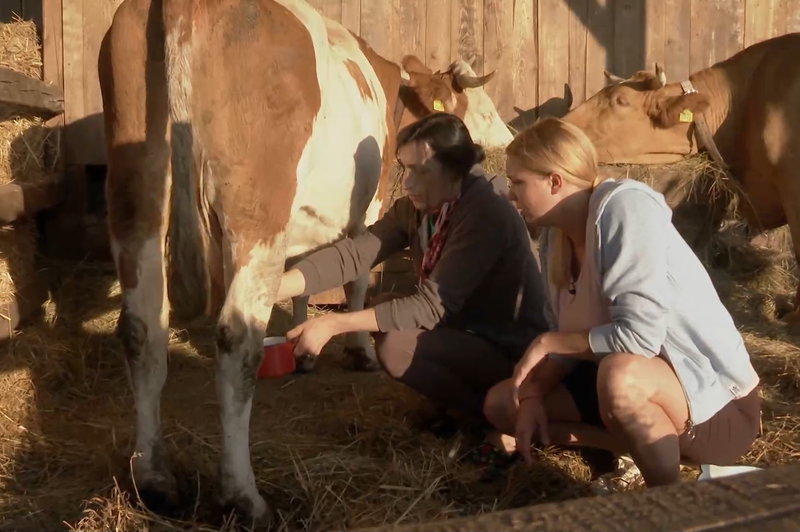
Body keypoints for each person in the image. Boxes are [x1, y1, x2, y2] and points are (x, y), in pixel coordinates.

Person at [483, 116, 762, 489]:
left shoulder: (623, 207)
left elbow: (639, 337)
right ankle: (634, 447)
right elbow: (566, 337)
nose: (510, 194)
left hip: (714, 405)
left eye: (518, 182)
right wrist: (533, 391)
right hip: (626, 386)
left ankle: (666, 504)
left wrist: (548, 344)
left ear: (554, 180)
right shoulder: (556, 239)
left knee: (620, 375)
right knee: (503, 403)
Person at [275, 112, 550, 457]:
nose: (406, 183)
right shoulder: (423, 209)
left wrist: (334, 323)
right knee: (385, 302)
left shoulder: (485, 212)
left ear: (455, 168)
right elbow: (354, 255)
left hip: (517, 357)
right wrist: (271, 288)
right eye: (405, 169)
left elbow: (429, 306)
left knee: (395, 344)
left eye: (420, 171)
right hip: (470, 339)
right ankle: (461, 409)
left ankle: (490, 420)